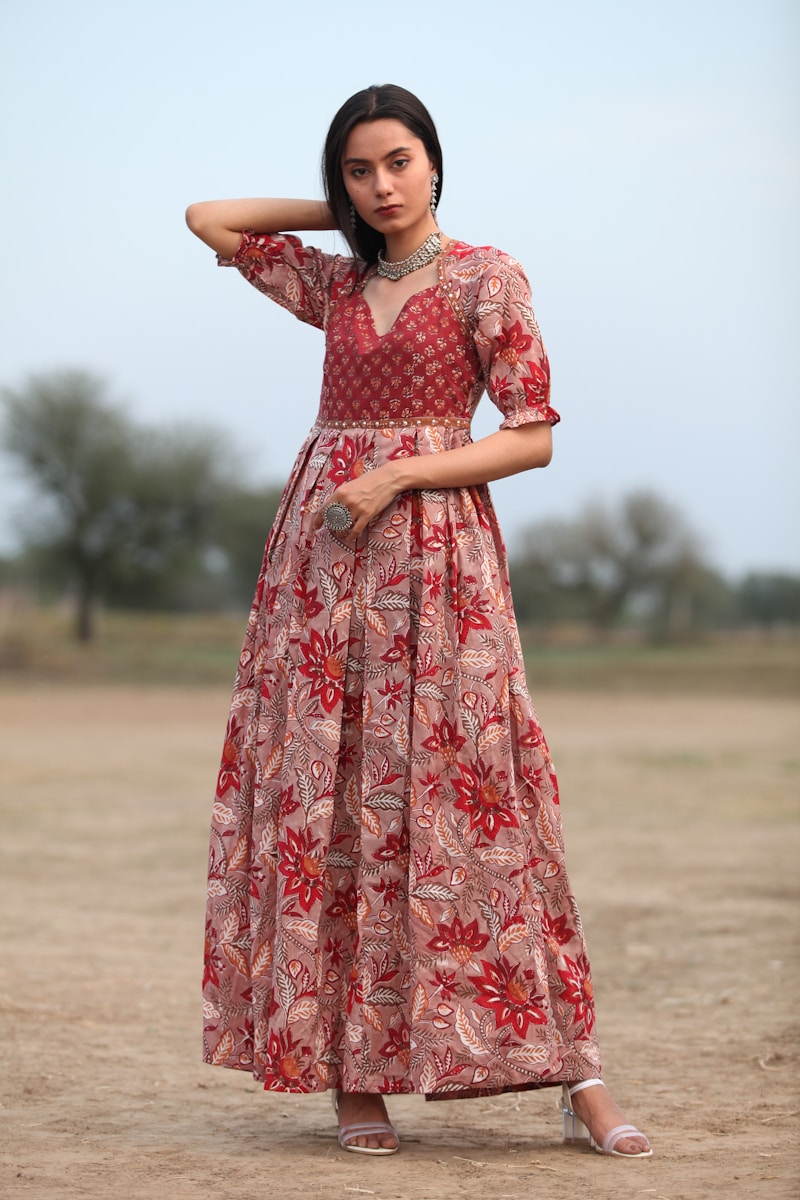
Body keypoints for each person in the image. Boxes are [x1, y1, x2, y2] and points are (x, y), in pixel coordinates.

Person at [186, 83, 651, 1160]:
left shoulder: (488, 277)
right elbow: (209, 219)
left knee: (476, 798)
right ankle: (356, 1080)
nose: (381, 185)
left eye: (398, 162)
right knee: (333, 805)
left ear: (435, 162)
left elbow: (530, 435)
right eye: (359, 170)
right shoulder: (333, 283)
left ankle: (575, 1071)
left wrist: (400, 470)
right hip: (323, 568)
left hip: (439, 560)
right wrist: (340, 216)